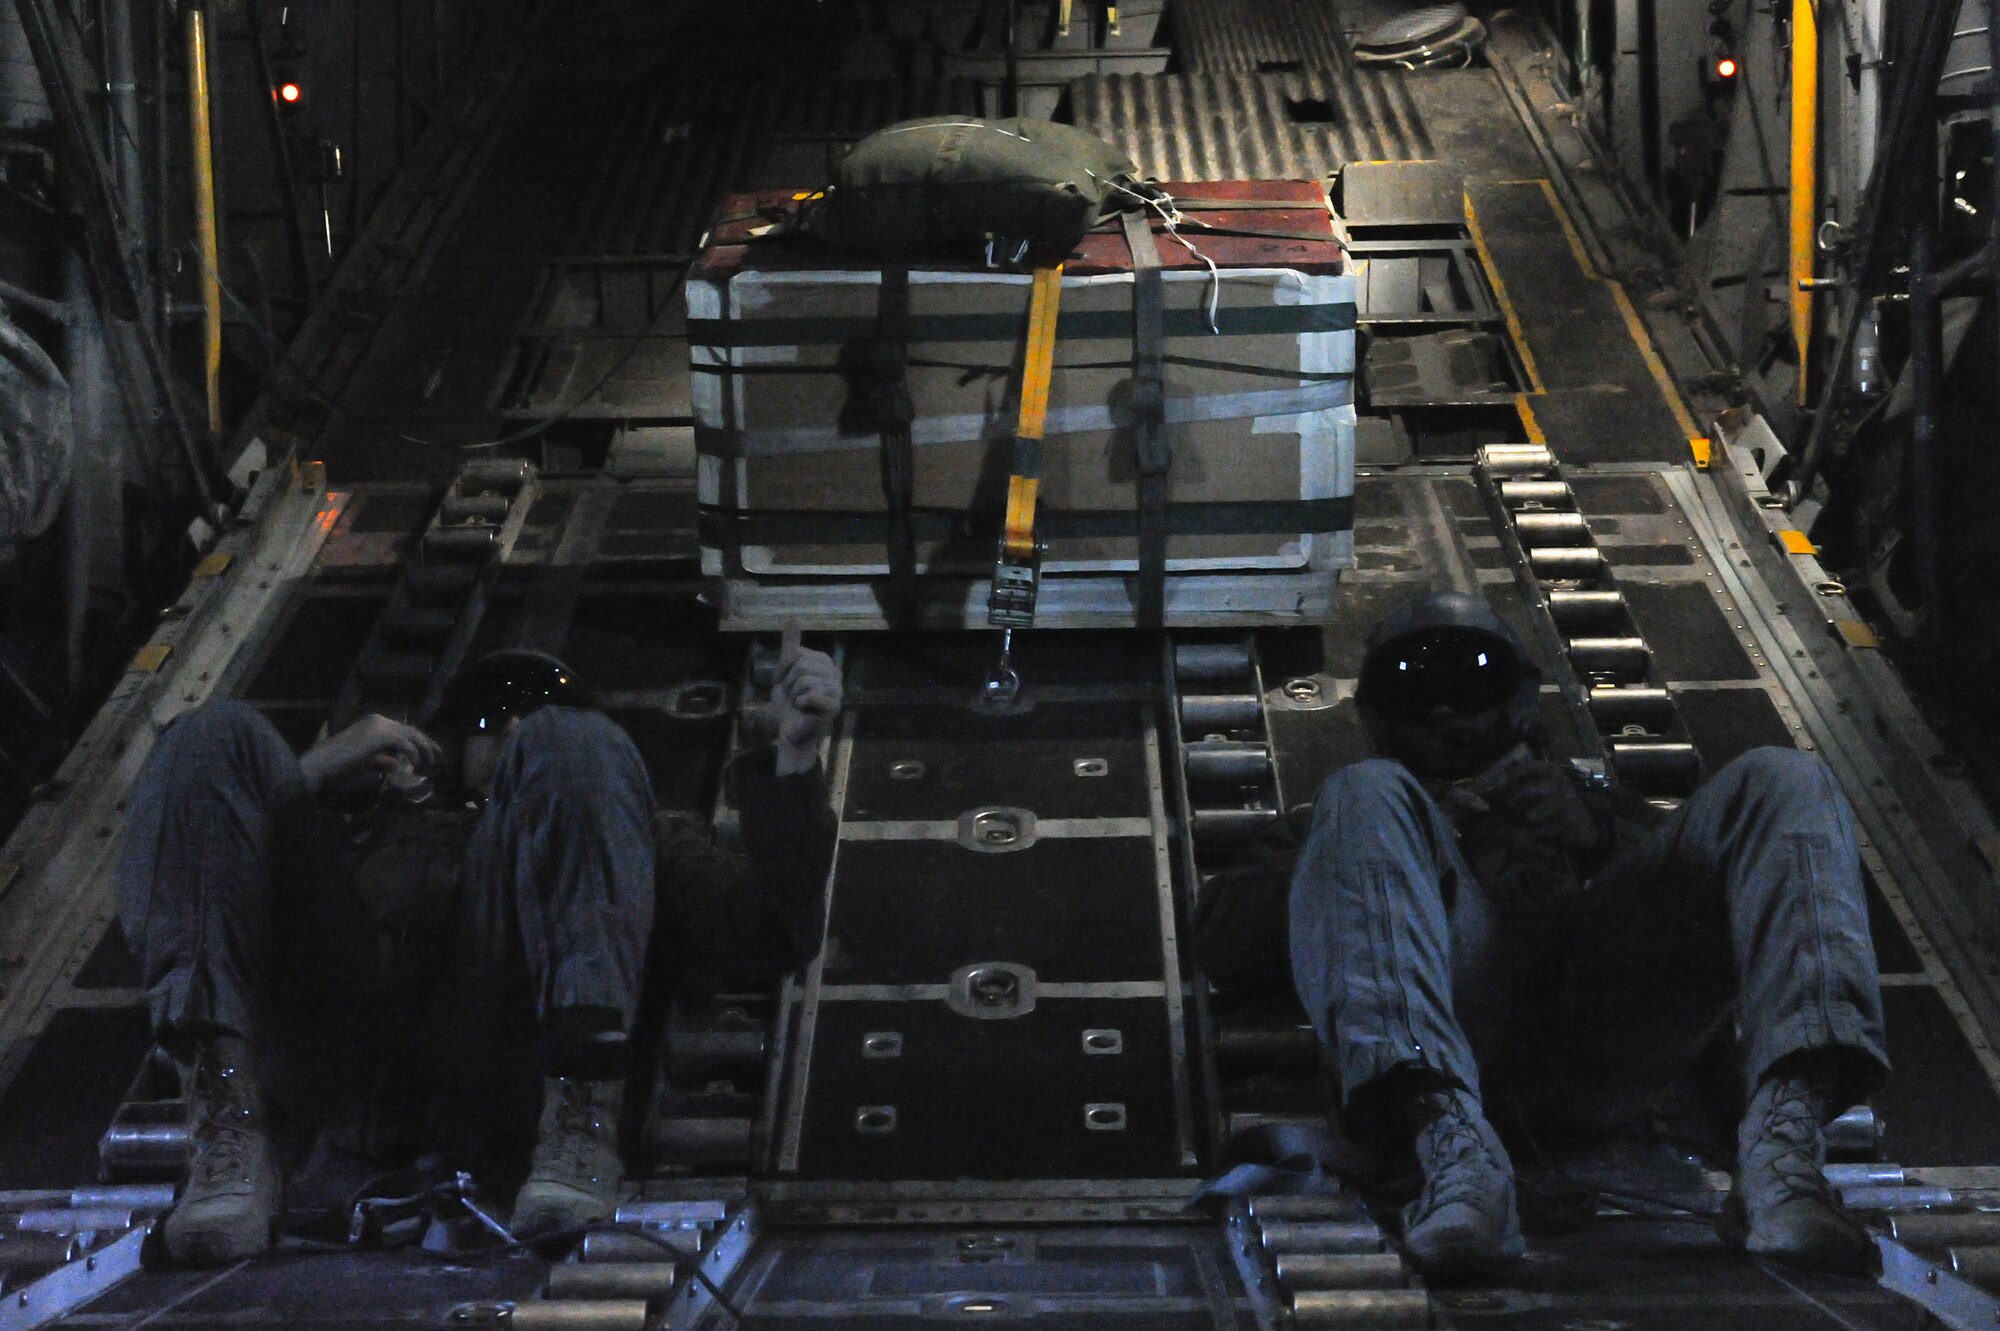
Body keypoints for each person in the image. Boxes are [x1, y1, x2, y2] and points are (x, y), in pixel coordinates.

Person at [1197, 591, 1888, 1279]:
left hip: (1609, 1042)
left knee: (1784, 778)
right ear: (1381, 715)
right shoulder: (1347, 813)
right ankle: (1450, 1146)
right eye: (1419, 693)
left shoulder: (1590, 806)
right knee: (1365, 791)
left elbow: (1720, 885)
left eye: (1466, 687)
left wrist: (1599, 837)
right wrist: (1413, 841)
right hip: (1457, 1049)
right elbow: (1226, 940)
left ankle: (1781, 1151)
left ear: (1515, 700)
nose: (1442, 711)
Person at [118, 635, 842, 1265]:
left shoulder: (626, 837)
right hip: (346, 1057)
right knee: (208, 734)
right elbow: (199, 887)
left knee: (572, 745)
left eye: (543, 710)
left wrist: (796, 752)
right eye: (496, 717)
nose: (523, 725)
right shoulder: (364, 828)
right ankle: (230, 1140)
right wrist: (308, 776)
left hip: (504, 1061)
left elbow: (766, 936)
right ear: (449, 745)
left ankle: (580, 1121)